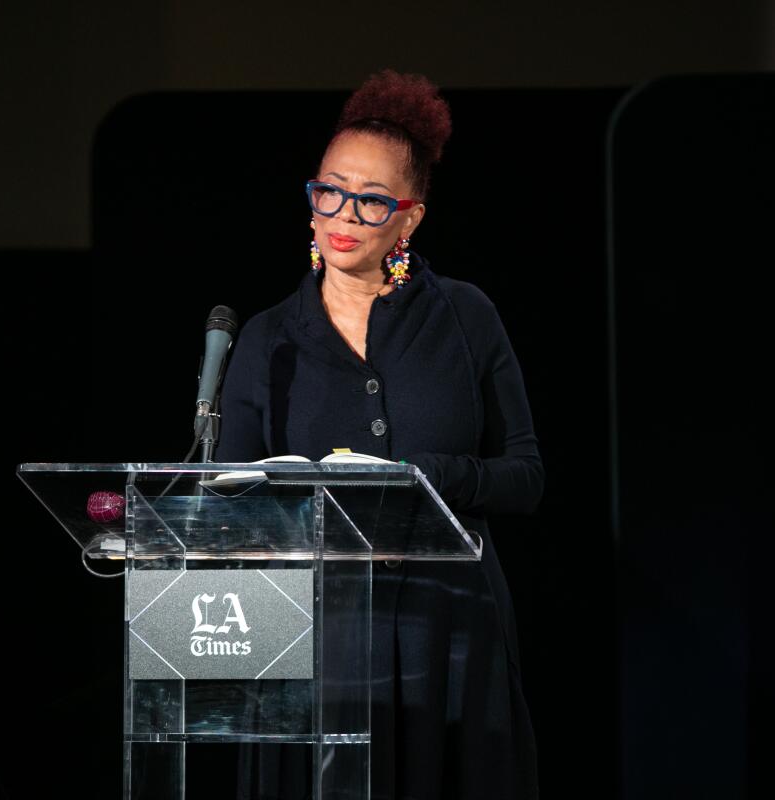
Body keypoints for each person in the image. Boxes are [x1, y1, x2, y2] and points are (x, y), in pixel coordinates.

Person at [216, 69, 543, 800]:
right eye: (329, 190)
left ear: (409, 218)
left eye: (372, 201)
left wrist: (416, 475)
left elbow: (525, 476)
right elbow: (228, 502)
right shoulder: (269, 339)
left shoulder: (465, 317)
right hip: (313, 641)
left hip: (451, 632)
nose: (344, 214)